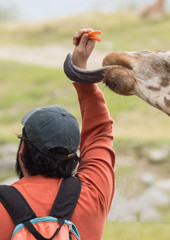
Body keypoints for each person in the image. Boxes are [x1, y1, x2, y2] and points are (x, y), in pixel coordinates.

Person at [0, 29, 115, 239]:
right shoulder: (93, 194)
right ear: (73, 155)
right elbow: (100, 131)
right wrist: (80, 70)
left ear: (23, 149)